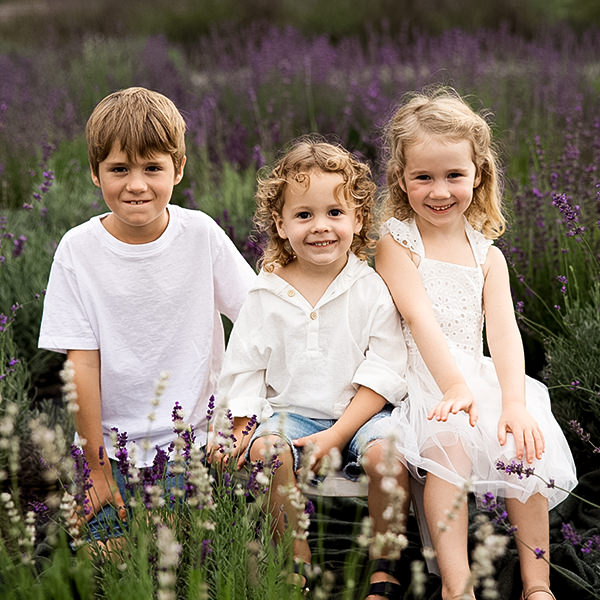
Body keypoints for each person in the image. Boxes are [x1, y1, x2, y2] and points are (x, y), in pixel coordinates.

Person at [375, 87, 577, 600]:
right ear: (401, 178)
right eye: (423, 177)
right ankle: (456, 585)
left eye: (453, 176)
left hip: (476, 378)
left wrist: (513, 401)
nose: (439, 191)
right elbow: (419, 318)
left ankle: (537, 584)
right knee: (451, 450)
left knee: (526, 448)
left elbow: (504, 331)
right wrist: (454, 388)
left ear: (478, 174)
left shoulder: (486, 254)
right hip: (425, 382)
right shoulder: (397, 242)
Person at [38, 86, 256, 543]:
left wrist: (243, 417)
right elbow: (82, 365)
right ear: (96, 174)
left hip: (191, 442)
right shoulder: (78, 250)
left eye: (152, 168)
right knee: (103, 560)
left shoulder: (200, 234)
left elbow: (258, 320)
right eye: (119, 169)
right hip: (108, 451)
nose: (136, 185)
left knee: (166, 547)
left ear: (178, 169)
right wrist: (96, 470)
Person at [208, 137, 411, 598]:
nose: (321, 227)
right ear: (279, 225)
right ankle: (294, 555)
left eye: (335, 213)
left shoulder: (369, 289)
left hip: (359, 415)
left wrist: (339, 434)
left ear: (359, 220)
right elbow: (244, 370)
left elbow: (384, 369)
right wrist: (239, 429)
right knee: (267, 455)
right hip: (289, 413)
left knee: (388, 457)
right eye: (304, 215)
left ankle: (385, 565)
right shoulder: (266, 294)